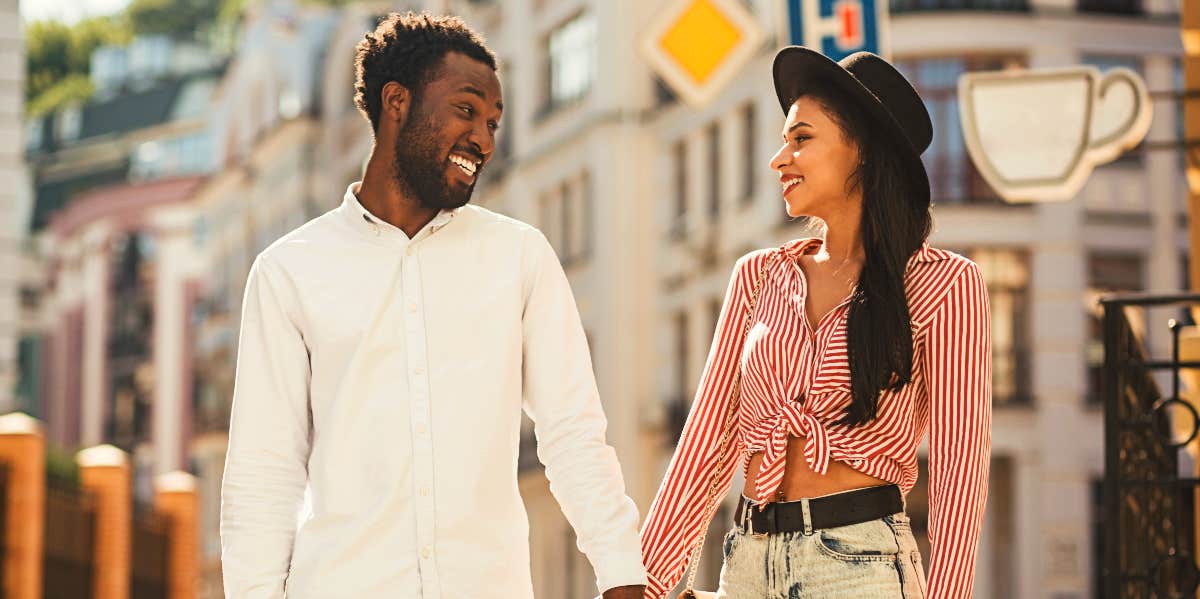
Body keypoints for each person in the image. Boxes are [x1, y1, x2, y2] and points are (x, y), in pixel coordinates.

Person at [219, 12, 647, 599]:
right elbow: (263, 473)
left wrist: (623, 573)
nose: (486, 140)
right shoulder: (289, 272)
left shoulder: (519, 257)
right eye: (466, 110)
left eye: (494, 122)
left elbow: (573, 435)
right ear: (397, 103)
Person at [639, 47, 992, 599]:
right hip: (746, 562)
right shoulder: (758, 276)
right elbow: (706, 442)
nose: (780, 159)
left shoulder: (945, 285)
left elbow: (960, 468)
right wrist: (644, 584)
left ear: (864, 153)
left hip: (861, 567)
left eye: (801, 139)